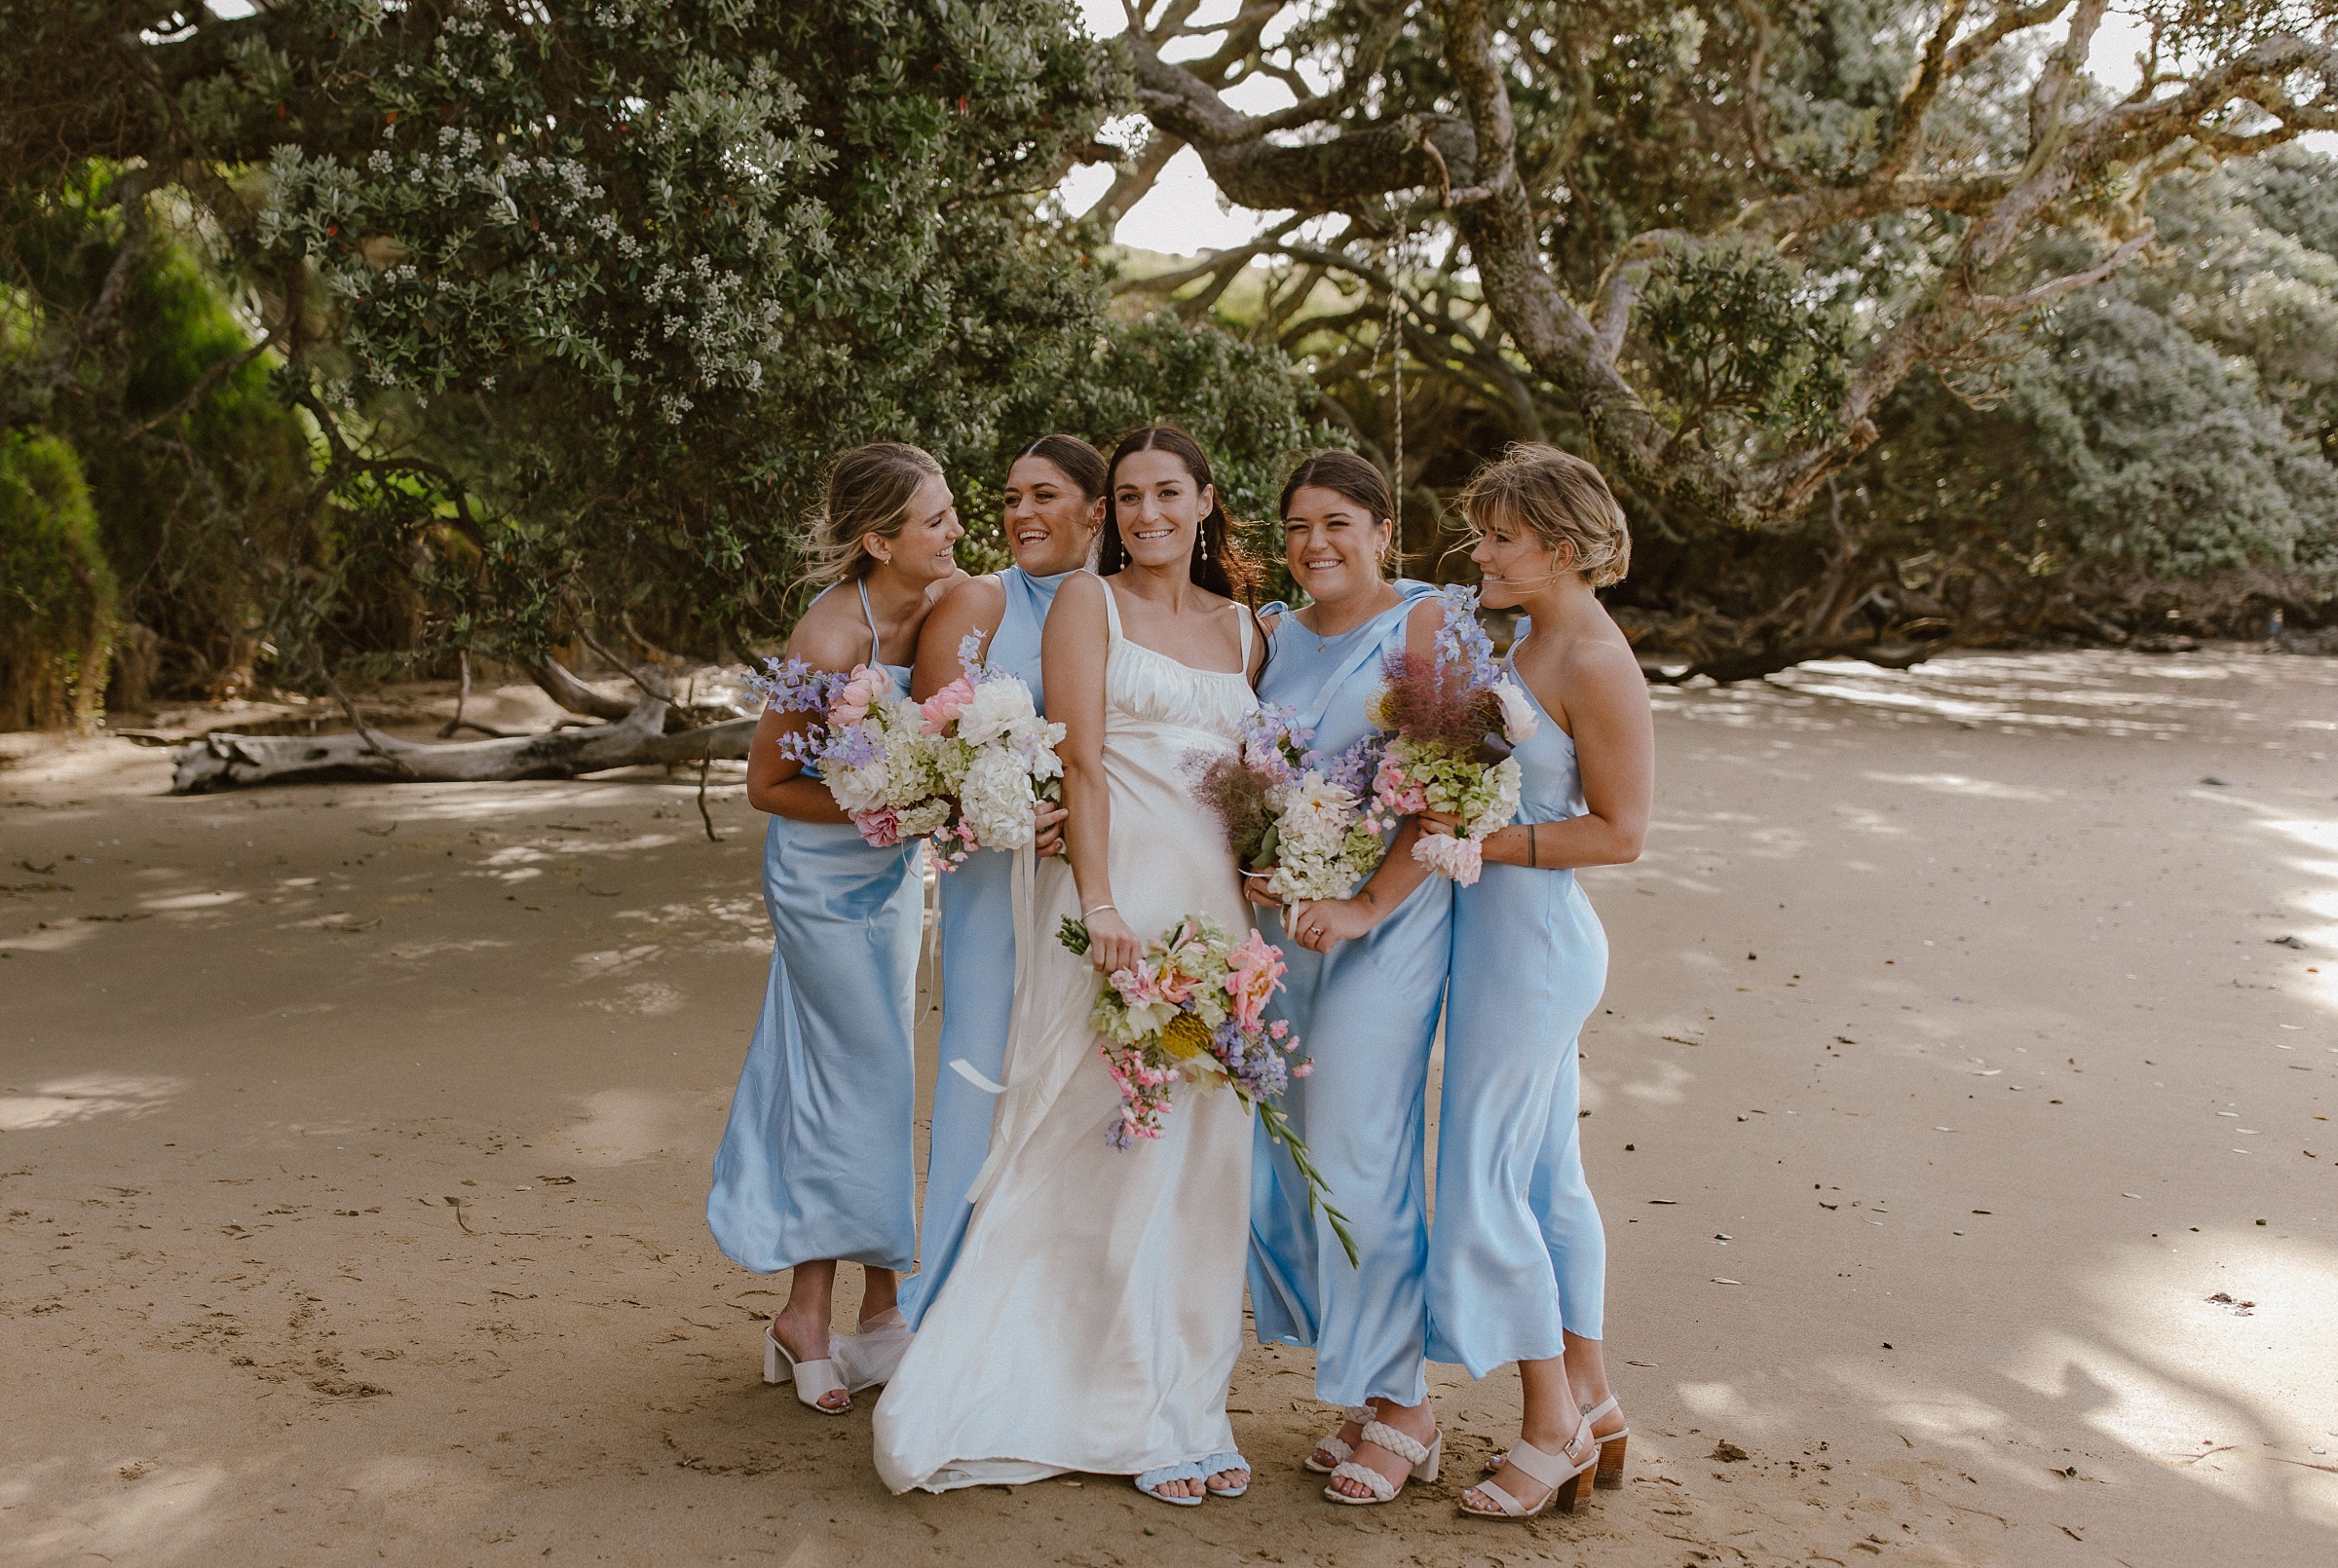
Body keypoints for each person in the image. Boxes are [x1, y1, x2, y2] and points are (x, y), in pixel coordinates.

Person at [873, 426, 1265, 1505]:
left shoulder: (1245, 630)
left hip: (1216, 916)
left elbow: (1248, 778)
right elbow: (1082, 757)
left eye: (1166, 494)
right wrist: (1098, 906)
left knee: (1205, 1163)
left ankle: (1190, 1406)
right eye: (1130, 497)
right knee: (1102, 1145)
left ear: (1203, 500)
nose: (1147, 515)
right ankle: (1112, 1402)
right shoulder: (1090, 606)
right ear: (1113, 512)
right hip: (1116, 896)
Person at [706, 442, 964, 1415]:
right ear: (876, 539)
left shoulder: (942, 603)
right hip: (821, 878)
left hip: (894, 875)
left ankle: (831, 1310)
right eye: (934, 520)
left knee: (856, 1073)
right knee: (870, 1073)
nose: (954, 532)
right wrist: (884, 805)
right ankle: (863, 1312)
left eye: (949, 512)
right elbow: (768, 784)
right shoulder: (826, 641)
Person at [1425, 444, 1651, 1519]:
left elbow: (1623, 831)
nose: (1480, 551)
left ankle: (1547, 1423)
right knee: (1550, 1180)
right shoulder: (1522, 634)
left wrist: (1491, 842)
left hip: (1538, 946)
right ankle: (1595, 1399)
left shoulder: (1596, 660)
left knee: (1489, 1177)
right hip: (1497, 940)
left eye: (1499, 536)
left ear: (1559, 549)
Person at [1240, 452, 1452, 1505]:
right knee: (1298, 1158)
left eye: (1336, 522)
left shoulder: (1423, 628)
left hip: (1387, 924)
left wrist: (1367, 901)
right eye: (1296, 527)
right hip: (1287, 928)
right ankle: (1369, 1392)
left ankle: (1408, 1402)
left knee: (1360, 1149)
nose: (1314, 542)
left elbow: (1451, 791)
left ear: (1382, 528)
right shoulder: (1272, 635)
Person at [898, 434, 1106, 1327]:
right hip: (995, 883)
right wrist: (1005, 813)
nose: (1019, 514)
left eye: (1044, 496)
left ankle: (1061, 1316)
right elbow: (925, 762)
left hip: (1104, 887)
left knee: (1084, 1088)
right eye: (1011, 497)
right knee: (982, 1069)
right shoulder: (979, 602)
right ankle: (944, 1303)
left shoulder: (1139, 608)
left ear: (1098, 511)